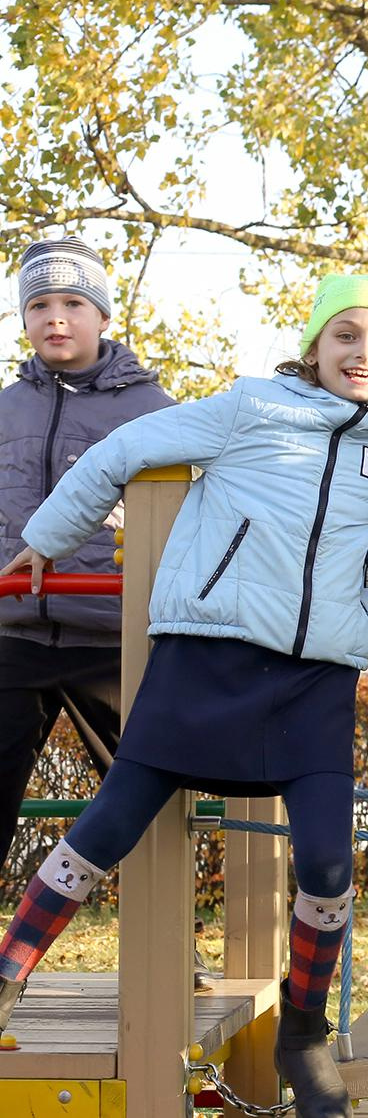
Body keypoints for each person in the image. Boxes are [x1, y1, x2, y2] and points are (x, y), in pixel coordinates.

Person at [0, 274, 368, 1118]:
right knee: (111, 819)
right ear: (313, 346)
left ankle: (303, 1031)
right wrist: (44, 540)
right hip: (207, 653)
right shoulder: (249, 408)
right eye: (346, 335)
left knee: (327, 861)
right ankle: (11, 969)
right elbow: (119, 454)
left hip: (314, 675)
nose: (365, 354)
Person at [0, 239, 173, 867]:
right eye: (38, 305)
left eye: (74, 303)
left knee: (144, 791)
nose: (55, 318)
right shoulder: (7, 408)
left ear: (104, 317)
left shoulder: (150, 410)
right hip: (15, 629)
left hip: (112, 634)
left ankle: (173, 948)